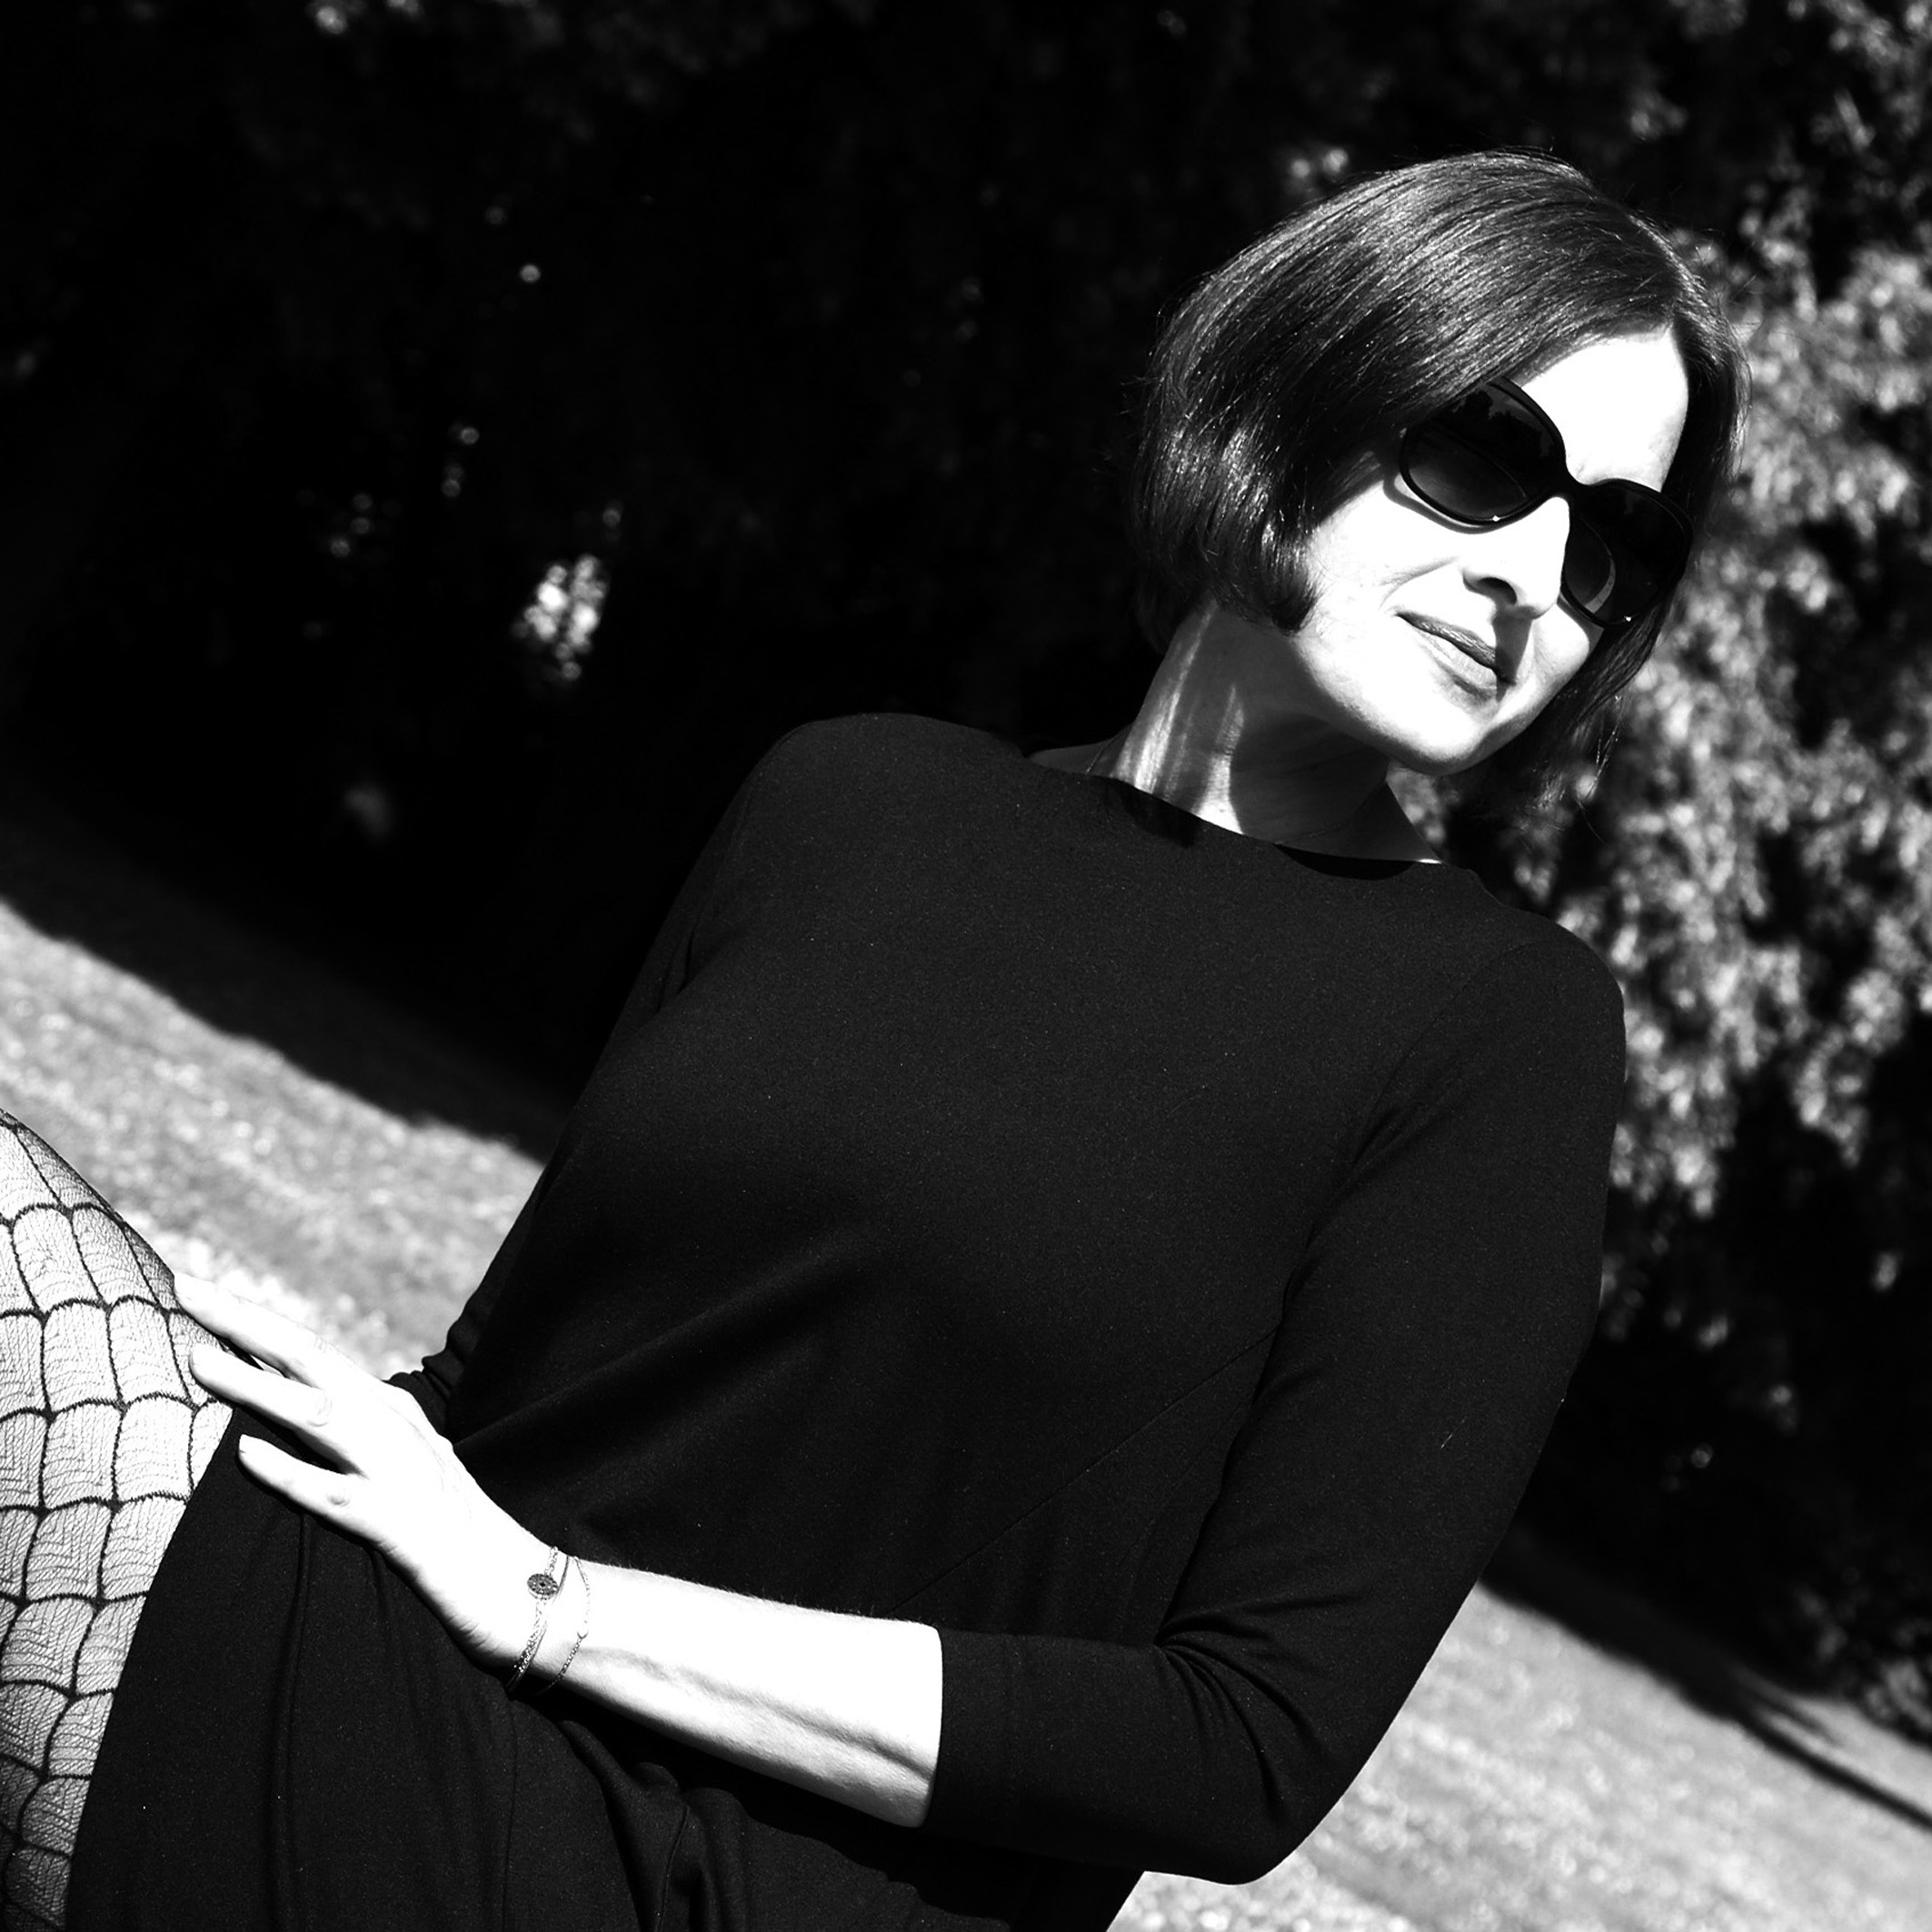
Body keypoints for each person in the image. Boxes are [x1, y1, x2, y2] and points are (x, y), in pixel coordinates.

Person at [1, 147, 1748, 1931]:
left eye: (1611, 543)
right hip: (394, 1697)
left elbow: (1238, 1744)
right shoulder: (846, 799)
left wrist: (550, 1608)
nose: (1537, 574)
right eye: (1487, 459)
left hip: (715, 1879)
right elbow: (517, 1384)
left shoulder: (1496, 1029)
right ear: (1293, 393)